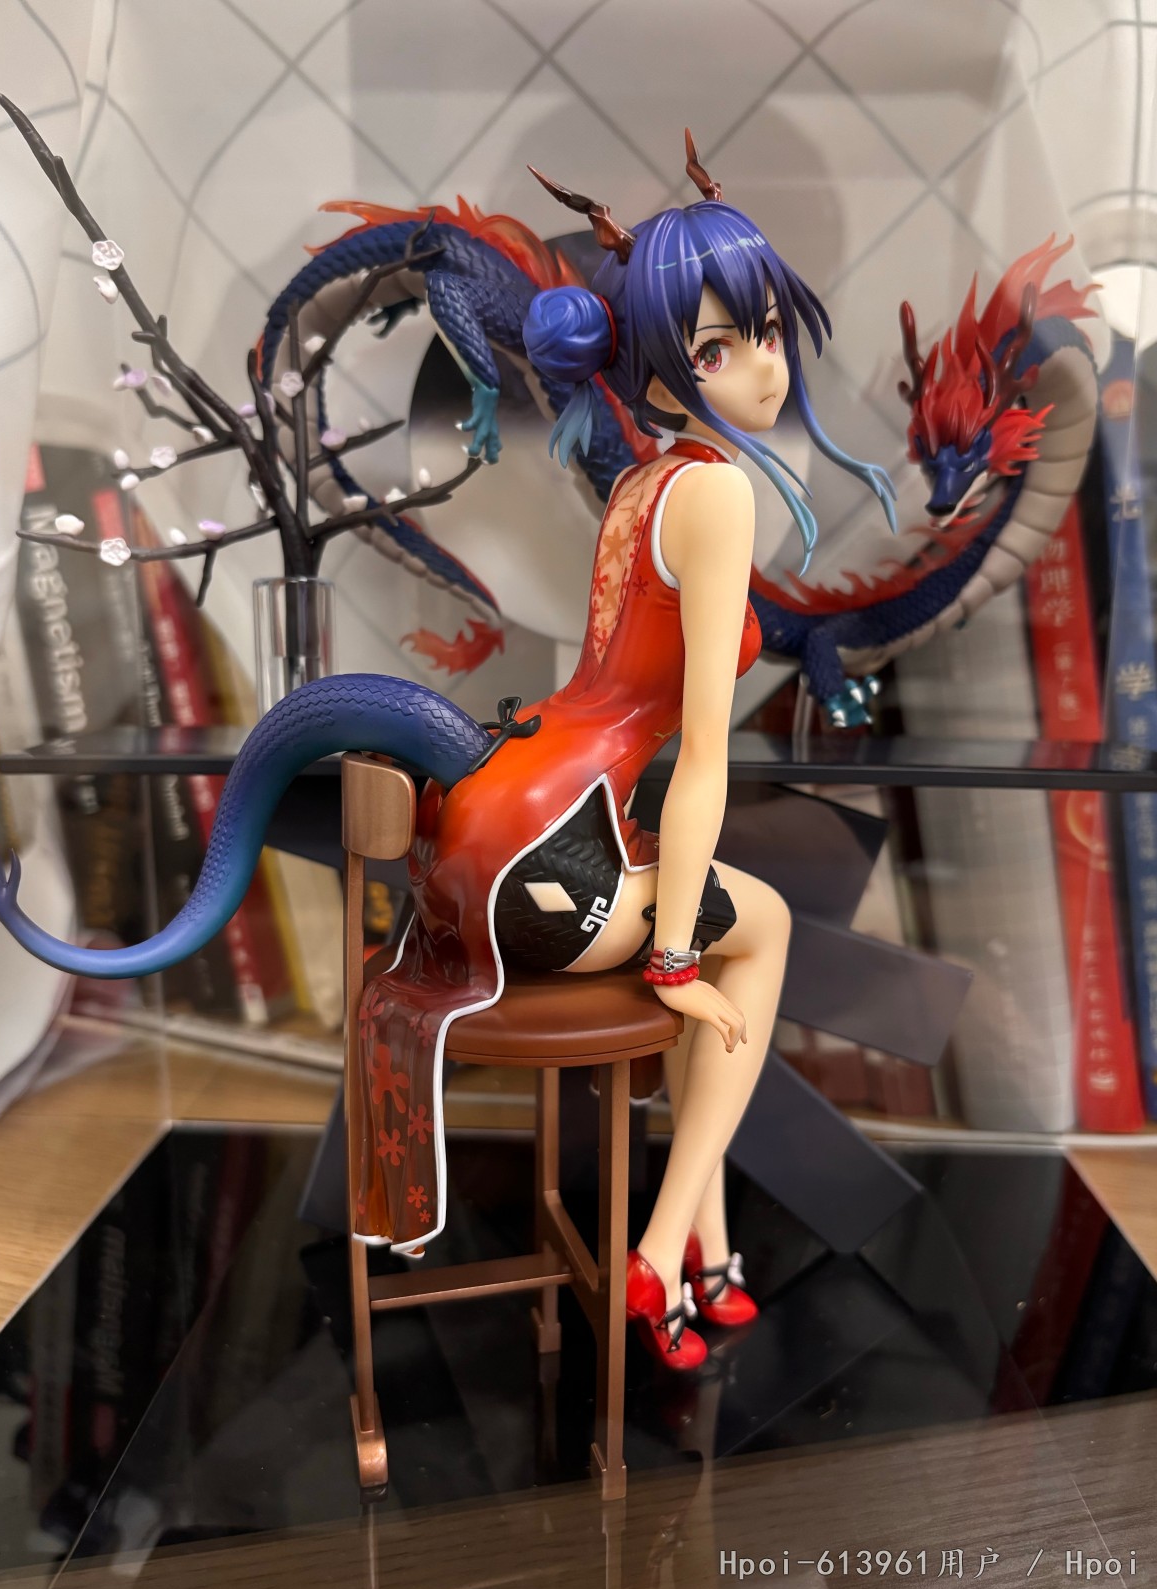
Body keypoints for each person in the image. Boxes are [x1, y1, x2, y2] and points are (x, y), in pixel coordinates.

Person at [353, 137, 896, 1370]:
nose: (764, 364)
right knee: (761, 932)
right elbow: (700, 756)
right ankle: (659, 1253)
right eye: (719, 348)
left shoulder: (644, 487)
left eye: (767, 330)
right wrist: (670, 958)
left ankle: (709, 1253)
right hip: (546, 868)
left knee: (727, 935)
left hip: (498, 836)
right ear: (658, 370)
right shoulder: (717, 496)